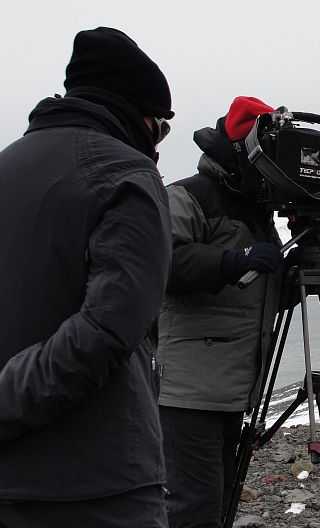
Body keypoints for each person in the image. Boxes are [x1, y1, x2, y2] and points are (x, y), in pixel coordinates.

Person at [0, 27, 175, 526]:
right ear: (140, 116)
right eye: (161, 127)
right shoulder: (127, 174)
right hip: (96, 484)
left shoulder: (6, 165)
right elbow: (107, 330)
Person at [156, 96, 283, 527]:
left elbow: (256, 296)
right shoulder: (186, 195)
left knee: (220, 500)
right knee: (193, 507)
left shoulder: (258, 209)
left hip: (232, 389)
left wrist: (297, 271)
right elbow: (163, 264)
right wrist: (231, 260)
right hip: (187, 391)